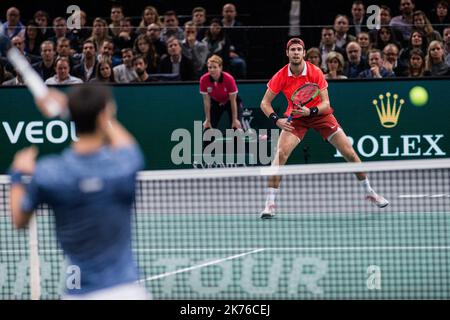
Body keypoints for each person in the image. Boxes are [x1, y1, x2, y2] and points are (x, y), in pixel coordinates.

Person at [9, 84, 148, 299]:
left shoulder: (49, 174)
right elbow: (125, 144)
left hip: (78, 294)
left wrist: (17, 173)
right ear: (104, 116)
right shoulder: (125, 164)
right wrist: (70, 106)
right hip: (126, 292)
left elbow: (19, 220)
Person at [259, 38, 388, 218]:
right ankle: (270, 204)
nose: (296, 52)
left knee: (349, 153)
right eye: (292, 50)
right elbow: (264, 103)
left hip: (320, 115)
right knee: (280, 156)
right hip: (296, 118)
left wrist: (310, 111)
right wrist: (276, 120)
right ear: (287, 53)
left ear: (304, 53)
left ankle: (370, 192)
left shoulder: (315, 72)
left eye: (299, 49)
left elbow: (326, 104)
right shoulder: (280, 75)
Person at [199, 55, 243, 131]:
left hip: (231, 102)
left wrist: (235, 120)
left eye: (215, 67)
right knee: (208, 129)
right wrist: (208, 120)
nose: (212, 70)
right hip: (216, 103)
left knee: (236, 128)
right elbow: (206, 101)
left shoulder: (229, 79)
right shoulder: (203, 79)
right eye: (210, 67)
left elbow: (233, 101)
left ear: (220, 68)